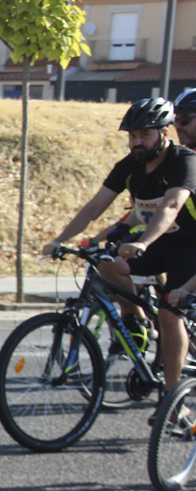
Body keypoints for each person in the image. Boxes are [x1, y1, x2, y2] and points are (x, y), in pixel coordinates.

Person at [42, 97, 196, 394]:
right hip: (160, 243)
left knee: (169, 313)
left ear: (164, 133)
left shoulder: (184, 161)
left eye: (145, 135)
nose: (137, 142)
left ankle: (172, 397)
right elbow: (94, 207)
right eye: (133, 136)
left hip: (190, 247)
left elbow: (172, 205)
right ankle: (135, 320)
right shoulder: (130, 166)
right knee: (106, 262)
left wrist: (142, 242)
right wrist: (60, 241)